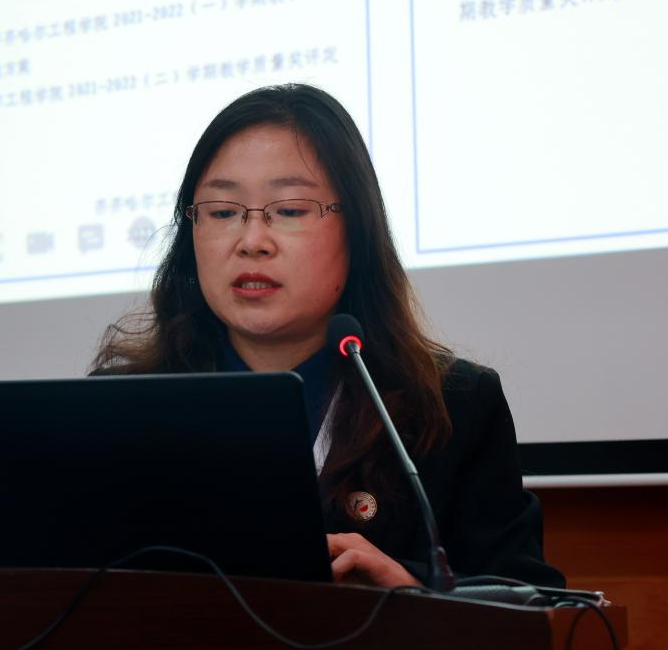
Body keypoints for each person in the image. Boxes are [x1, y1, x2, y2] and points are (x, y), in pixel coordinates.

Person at [92, 83, 565, 589]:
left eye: (290, 210)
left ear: (357, 229)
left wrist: (412, 592)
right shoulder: (122, 406)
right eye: (223, 212)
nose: (252, 242)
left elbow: (533, 604)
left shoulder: (453, 406)